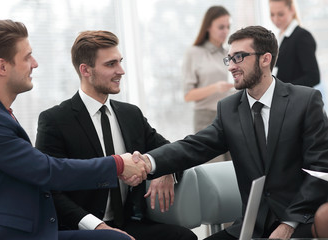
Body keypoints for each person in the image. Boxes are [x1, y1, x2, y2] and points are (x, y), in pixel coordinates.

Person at [0, 19, 148, 240]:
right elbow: (46, 170)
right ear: (2, 67)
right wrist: (118, 164)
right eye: (27, 57)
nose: (34, 63)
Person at [137, 25, 328, 239]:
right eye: (229, 59)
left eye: (239, 57)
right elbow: (194, 146)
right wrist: (149, 162)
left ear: (265, 59)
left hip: (301, 222)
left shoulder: (305, 101)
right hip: (251, 226)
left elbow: (321, 170)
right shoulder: (229, 108)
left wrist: (288, 224)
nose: (231, 67)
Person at [35, 30, 197, 240]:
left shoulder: (131, 114)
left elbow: (171, 151)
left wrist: (166, 171)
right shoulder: (55, 120)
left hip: (129, 223)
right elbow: (49, 189)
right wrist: (98, 227)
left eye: (120, 62)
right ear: (85, 70)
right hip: (83, 229)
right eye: (111, 64)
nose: (121, 71)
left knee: (185, 237)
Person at [183, 5, 234, 134]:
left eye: (228, 27)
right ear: (208, 27)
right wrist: (216, 88)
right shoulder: (193, 53)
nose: (226, 31)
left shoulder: (229, 53)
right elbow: (188, 95)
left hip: (230, 115)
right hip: (206, 119)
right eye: (221, 27)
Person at [269, 0, 320, 87]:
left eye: (280, 14)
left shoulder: (302, 36)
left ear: (292, 9)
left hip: (296, 99)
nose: (275, 19)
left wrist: (281, 89)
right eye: (272, 14)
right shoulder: (280, 36)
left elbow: (313, 77)